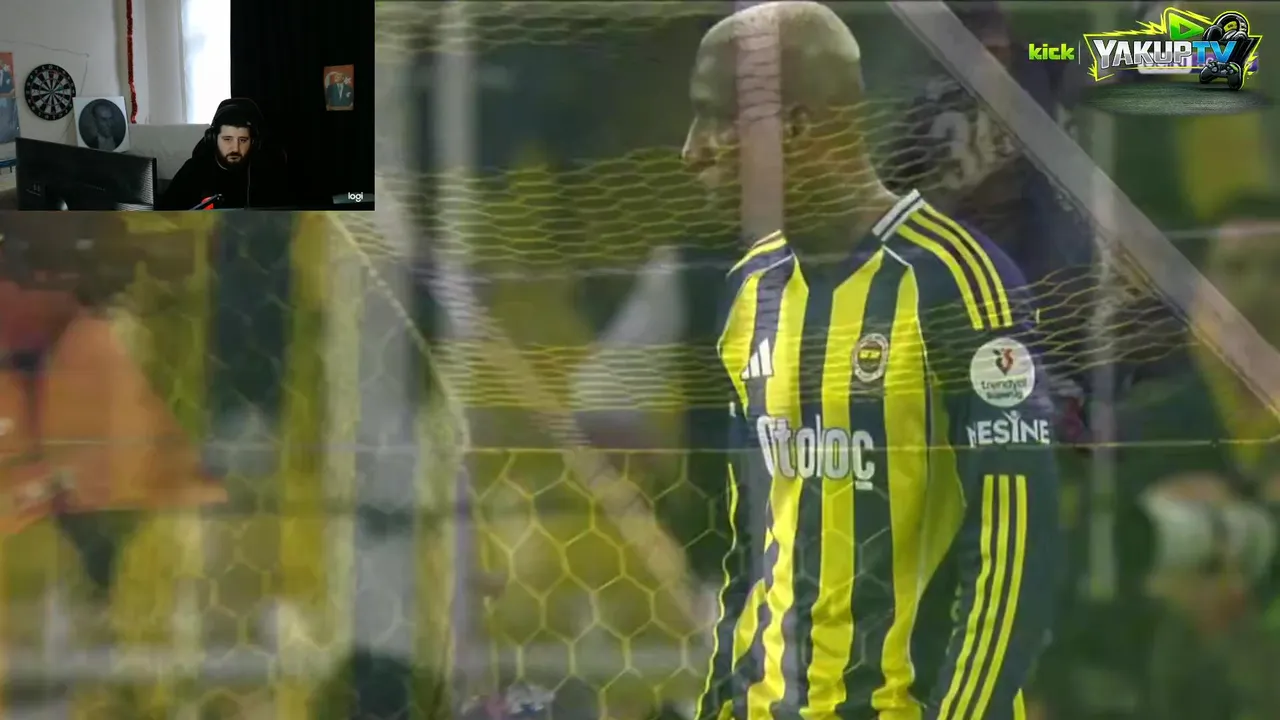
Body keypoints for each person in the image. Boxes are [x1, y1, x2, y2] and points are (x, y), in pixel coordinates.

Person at [684, 4, 1060, 719]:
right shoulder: (750, 293)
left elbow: (1014, 551)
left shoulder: (956, 283)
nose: (691, 150)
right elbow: (749, 553)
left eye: (713, 118)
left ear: (793, 127)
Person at [157, 98, 290, 210]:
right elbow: (164, 217)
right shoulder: (194, 170)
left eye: (243, 140)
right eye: (227, 139)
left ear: (254, 143)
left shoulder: (269, 173)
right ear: (213, 139)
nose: (235, 148)